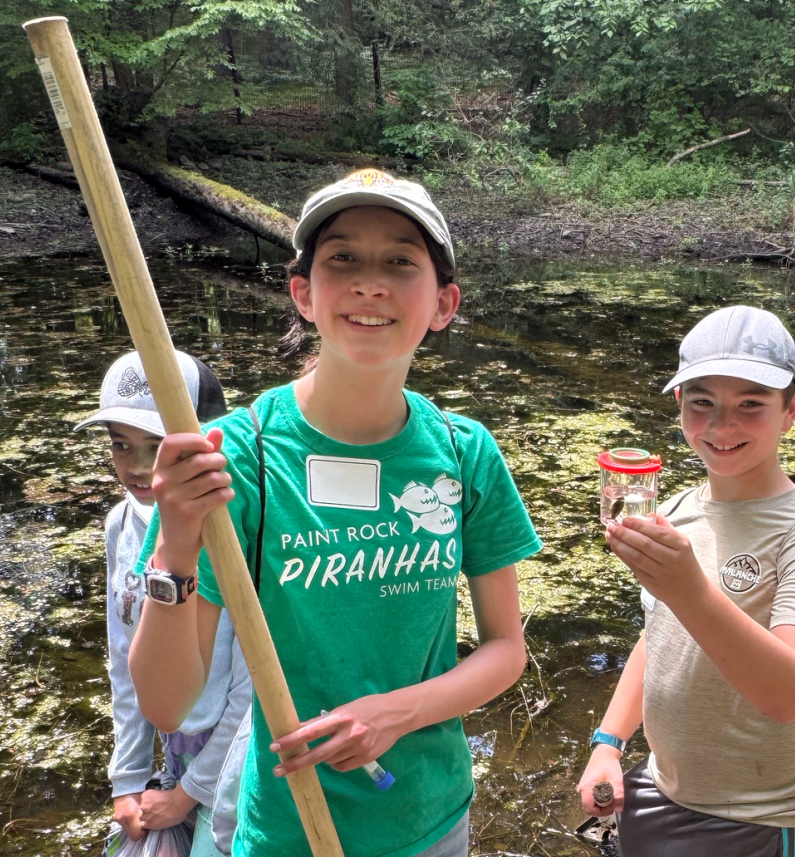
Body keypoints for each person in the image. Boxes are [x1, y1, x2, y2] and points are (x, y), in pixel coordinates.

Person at [127, 169, 542, 857]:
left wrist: (394, 713)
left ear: (443, 302)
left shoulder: (465, 453)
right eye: (342, 258)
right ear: (303, 293)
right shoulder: (241, 456)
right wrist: (174, 546)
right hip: (292, 828)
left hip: (433, 822)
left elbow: (505, 651)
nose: (369, 282)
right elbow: (167, 704)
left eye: (400, 261)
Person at [577, 306, 795, 857]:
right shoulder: (675, 511)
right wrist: (608, 743)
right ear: (680, 404)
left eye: (751, 405)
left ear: (791, 409)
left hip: (766, 815)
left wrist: (690, 590)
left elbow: (788, 694)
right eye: (702, 402)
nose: (722, 426)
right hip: (662, 787)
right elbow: (658, 635)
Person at [76, 350, 251, 856]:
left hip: (240, 756)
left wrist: (187, 795)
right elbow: (125, 659)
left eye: (156, 447)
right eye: (120, 445)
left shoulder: (236, 524)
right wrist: (129, 777)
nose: (135, 467)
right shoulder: (119, 526)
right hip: (177, 747)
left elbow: (258, 683)